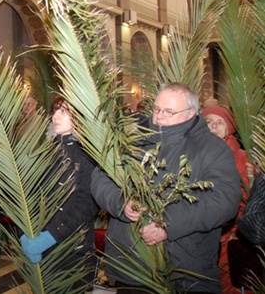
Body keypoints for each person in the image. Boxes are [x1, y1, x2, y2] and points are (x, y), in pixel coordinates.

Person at [91, 83, 242, 293]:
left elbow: (224, 200)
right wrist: (121, 202)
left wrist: (166, 225)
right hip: (132, 267)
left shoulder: (212, 148)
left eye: (169, 111)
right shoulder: (134, 140)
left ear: (190, 113)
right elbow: (100, 177)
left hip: (184, 271)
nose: (159, 116)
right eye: (157, 109)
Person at [19, 97, 99, 290]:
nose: (56, 116)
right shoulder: (47, 151)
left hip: (73, 247)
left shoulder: (88, 154)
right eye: (54, 111)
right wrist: (25, 230)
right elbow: (33, 192)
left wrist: (52, 235)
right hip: (45, 243)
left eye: (63, 111)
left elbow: (87, 202)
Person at [202, 105, 250, 294]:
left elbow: (246, 201)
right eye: (208, 121)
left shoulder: (240, 158)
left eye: (219, 122)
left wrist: (236, 233)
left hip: (228, 235)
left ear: (228, 128)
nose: (213, 126)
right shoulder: (195, 154)